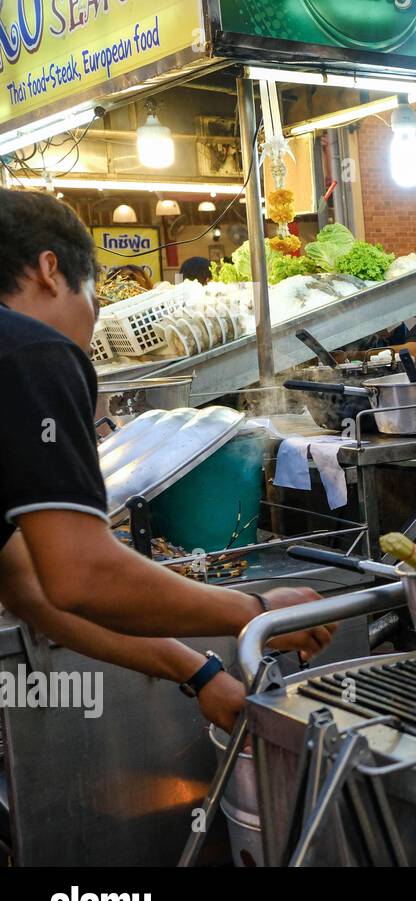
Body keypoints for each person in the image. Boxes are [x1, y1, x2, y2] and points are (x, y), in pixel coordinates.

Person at [0, 189, 337, 732]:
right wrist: (254, 612)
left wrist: (199, 673)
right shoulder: (32, 350)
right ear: (49, 269)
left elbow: (32, 587)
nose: (90, 330)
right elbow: (78, 575)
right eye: (94, 300)